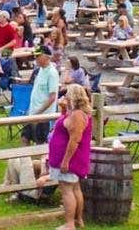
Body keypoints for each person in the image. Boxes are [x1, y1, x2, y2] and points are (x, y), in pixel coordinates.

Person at [46, 85, 93, 230]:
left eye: (67, 95)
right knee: (75, 188)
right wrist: (64, 109)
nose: (65, 96)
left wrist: (66, 161)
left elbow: (74, 140)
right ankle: (78, 220)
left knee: (67, 190)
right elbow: (66, 125)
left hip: (70, 158)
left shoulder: (78, 115)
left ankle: (69, 223)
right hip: (69, 157)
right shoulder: (75, 113)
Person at [24, 47, 60, 143]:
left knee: (40, 142)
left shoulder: (52, 73)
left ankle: (38, 158)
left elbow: (52, 97)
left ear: (46, 57)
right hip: (32, 112)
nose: (35, 58)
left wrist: (38, 113)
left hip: (44, 116)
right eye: (35, 55)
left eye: (38, 56)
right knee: (24, 138)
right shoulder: (39, 70)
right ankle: (27, 158)